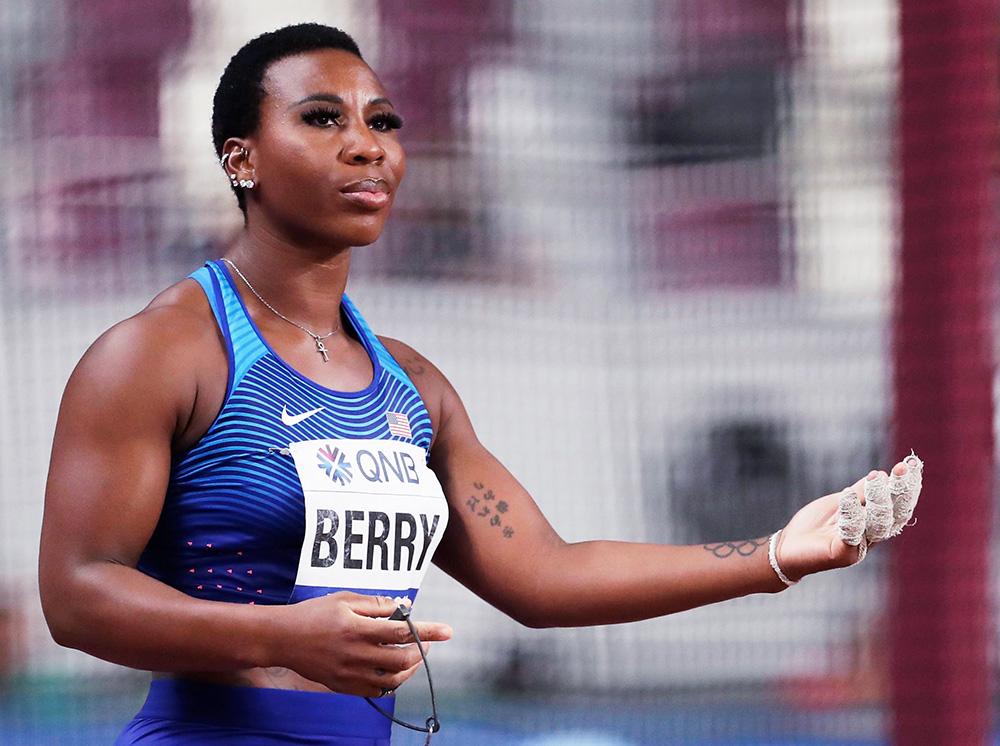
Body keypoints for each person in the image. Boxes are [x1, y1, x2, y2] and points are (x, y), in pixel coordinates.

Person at [37, 23, 921, 746]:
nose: (365, 146)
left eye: (382, 122)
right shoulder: (161, 354)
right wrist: (280, 635)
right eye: (320, 118)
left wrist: (776, 556)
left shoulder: (411, 385)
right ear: (242, 159)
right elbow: (76, 595)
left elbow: (545, 575)